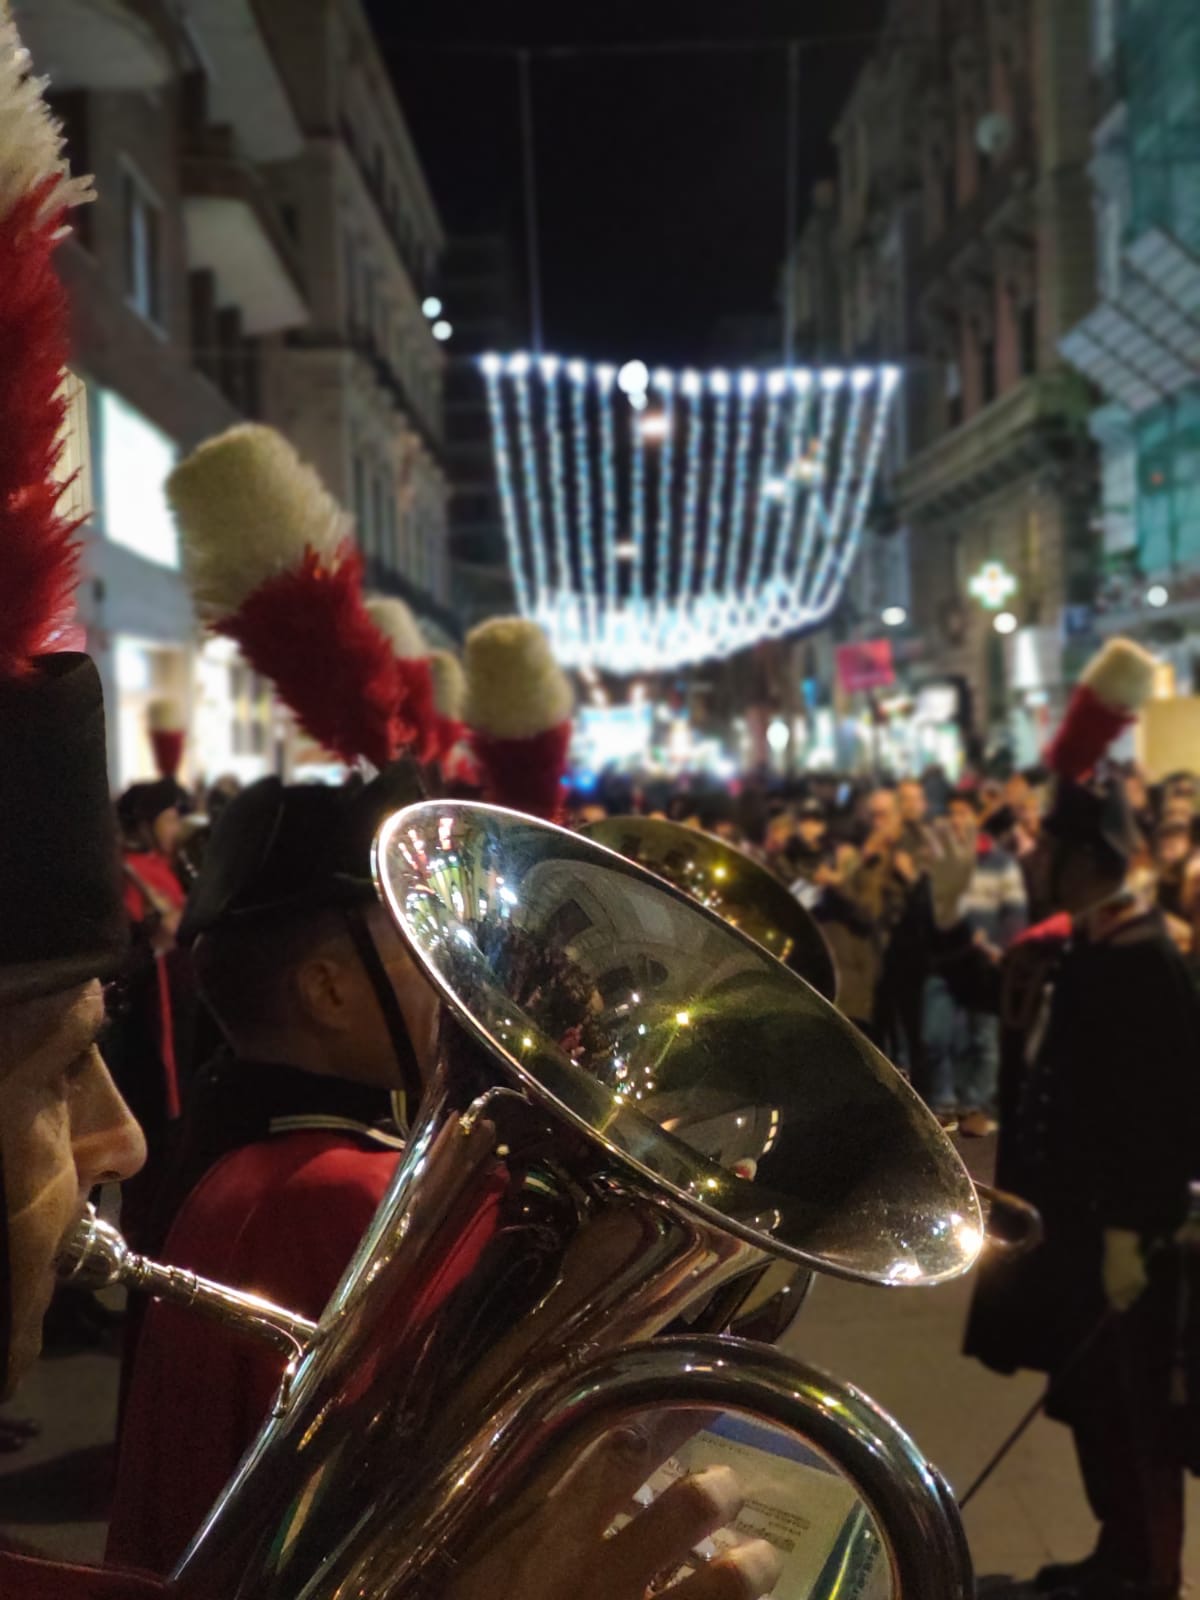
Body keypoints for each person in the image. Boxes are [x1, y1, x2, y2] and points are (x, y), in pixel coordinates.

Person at [966, 638, 1200, 1600]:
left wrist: (1130, 1231)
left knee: (1139, 1418)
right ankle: (1116, 1557)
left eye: (1050, 853)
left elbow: (1163, 1109)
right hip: (1077, 1223)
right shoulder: (1092, 947)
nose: (1037, 865)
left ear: (1082, 860)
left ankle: (1146, 1576)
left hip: (1123, 1234)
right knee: (1095, 1403)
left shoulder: (1142, 958)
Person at [922, 791, 1027, 1137]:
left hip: (984, 965)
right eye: (951, 813)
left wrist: (1001, 946)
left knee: (983, 1039)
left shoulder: (999, 862)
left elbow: (1014, 912)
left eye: (964, 813)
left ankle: (974, 1105)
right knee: (936, 1035)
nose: (956, 820)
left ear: (977, 818)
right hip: (944, 962)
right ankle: (944, 1102)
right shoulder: (938, 861)